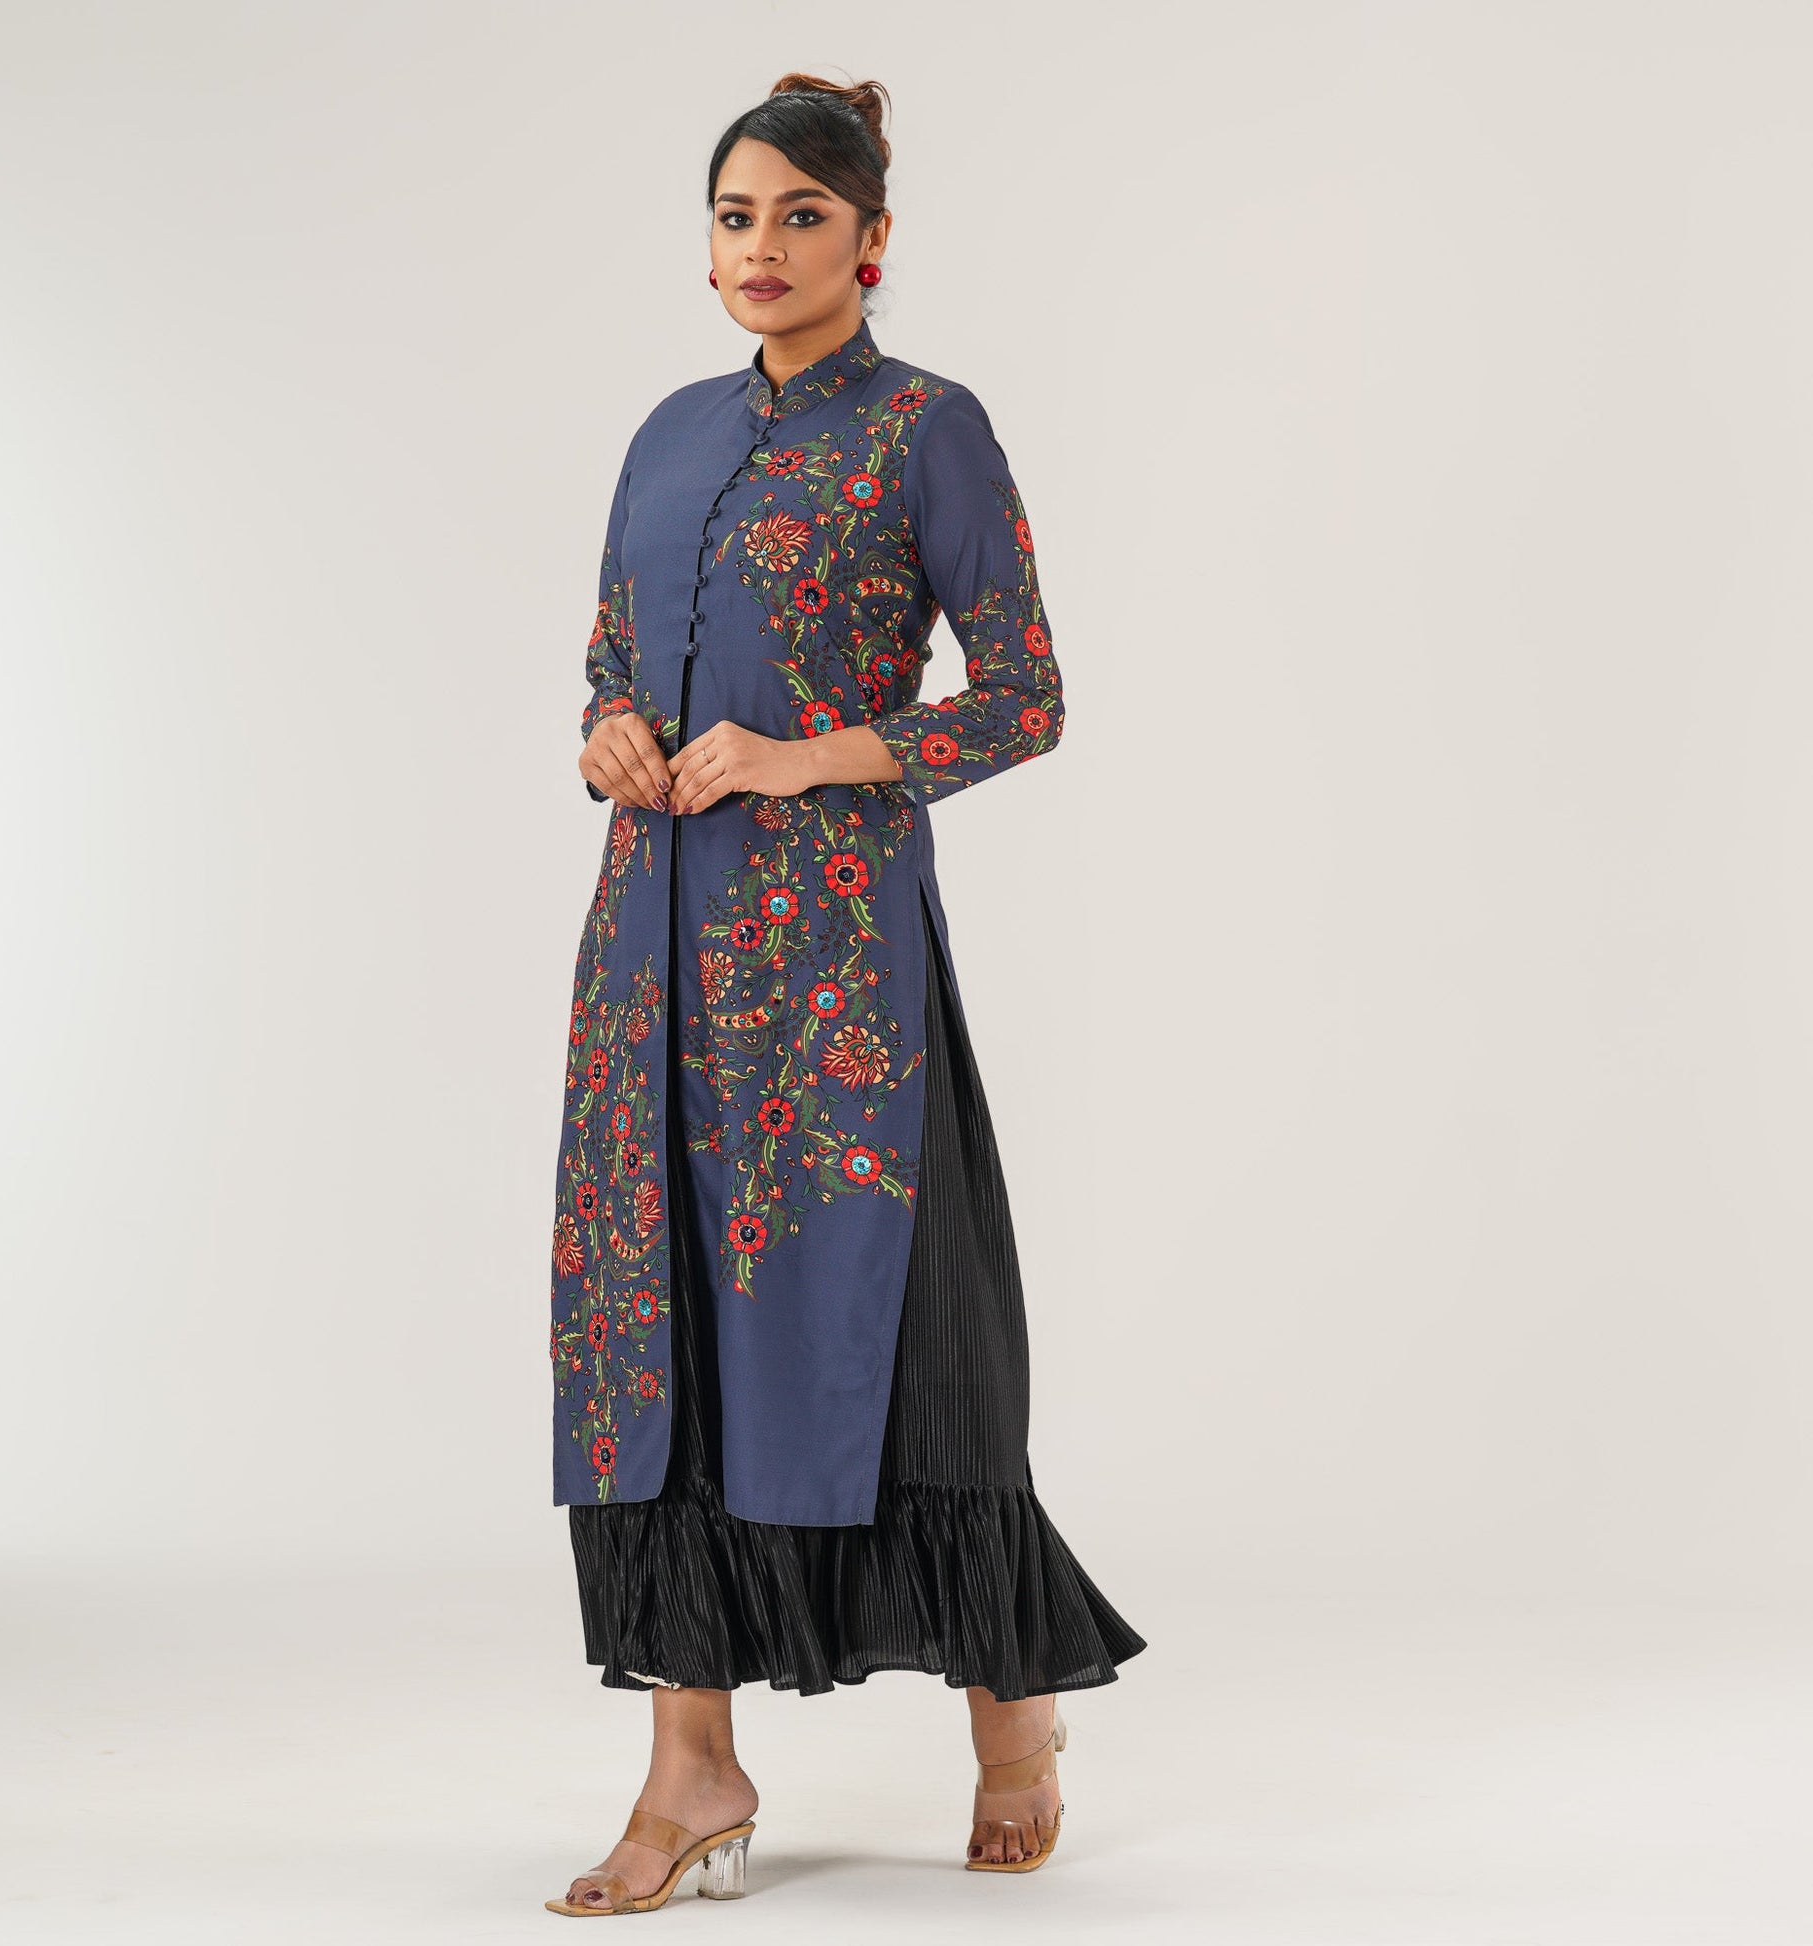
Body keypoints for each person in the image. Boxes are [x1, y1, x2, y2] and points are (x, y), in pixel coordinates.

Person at [544, 73, 1146, 1917]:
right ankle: (691, 1762)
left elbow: (1024, 696)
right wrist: (610, 731)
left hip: (833, 987)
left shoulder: (925, 430)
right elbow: (608, 653)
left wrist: (806, 755)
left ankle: (1014, 1719)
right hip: (649, 960)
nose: (763, 247)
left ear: (872, 241)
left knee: (893, 1335)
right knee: (658, 1339)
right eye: (736, 215)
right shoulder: (665, 434)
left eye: (802, 215)